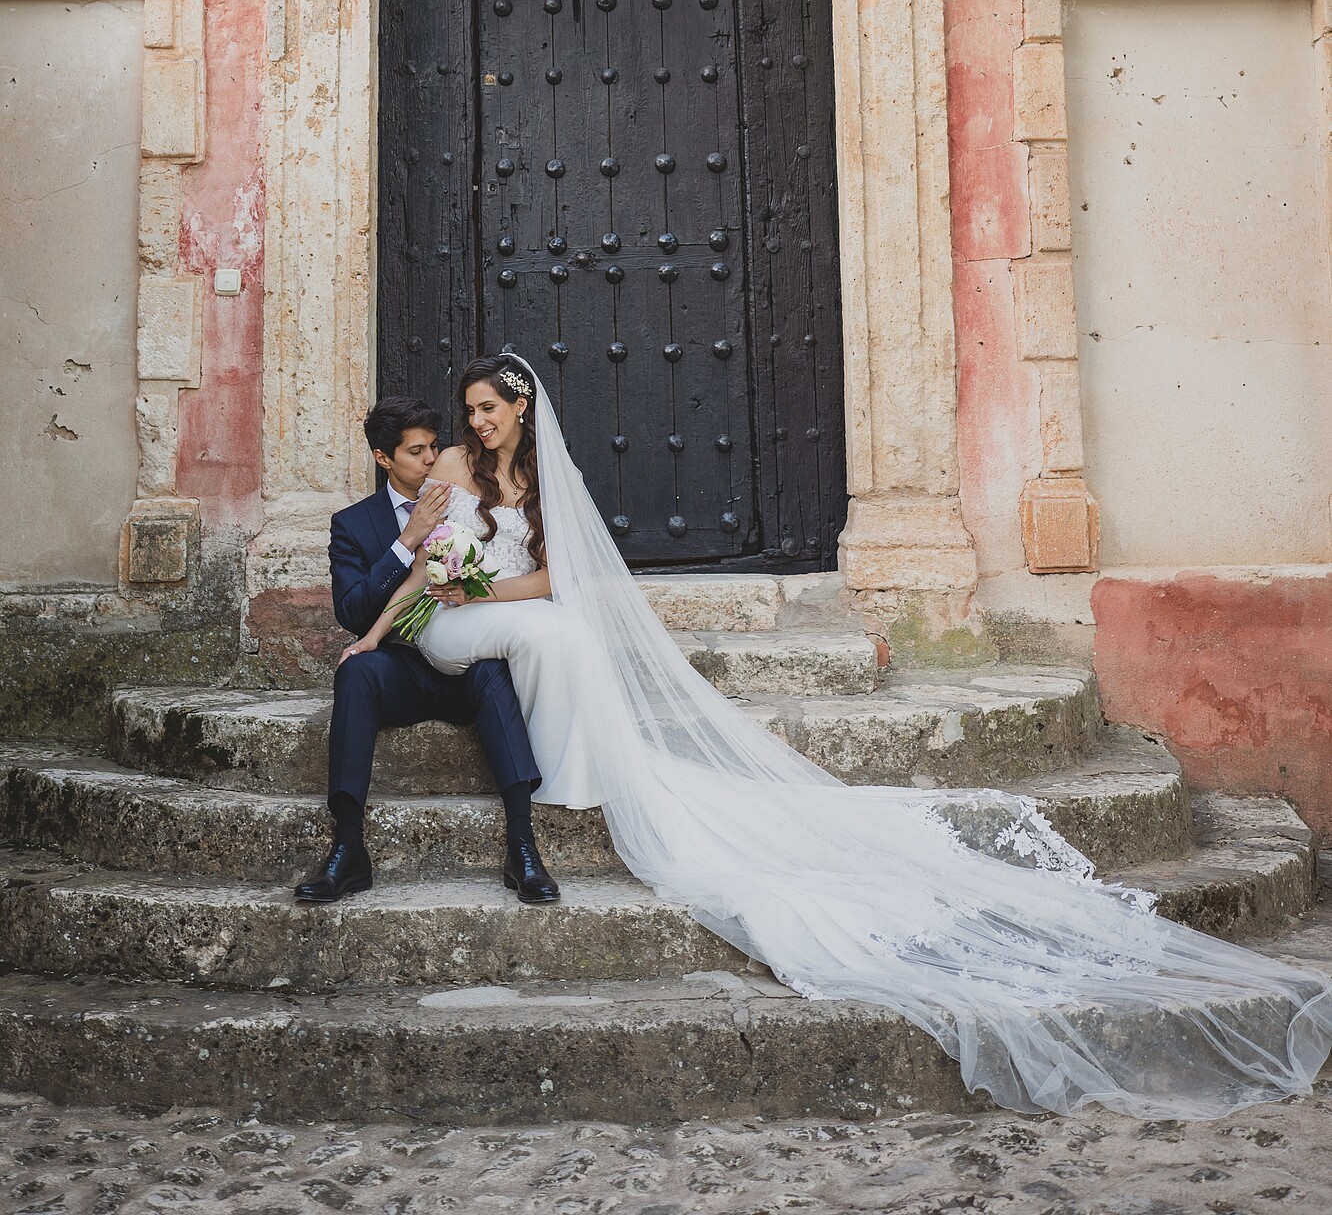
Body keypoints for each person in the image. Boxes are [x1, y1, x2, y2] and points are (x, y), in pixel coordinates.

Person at [352, 347, 1332, 1122]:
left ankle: (586, 767)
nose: (475, 420)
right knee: (547, 630)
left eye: (489, 407)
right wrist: (381, 625)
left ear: (521, 409)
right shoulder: (447, 466)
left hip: (498, 603)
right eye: (470, 407)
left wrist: (490, 582)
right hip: (443, 620)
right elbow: (423, 565)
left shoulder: (544, 476)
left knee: (560, 625)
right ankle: (572, 768)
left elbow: (559, 579)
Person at [293, 393, 558, 907]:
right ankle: (347, 848)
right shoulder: (353, 524)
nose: (432, 459)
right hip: (403, 668)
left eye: (435, 446)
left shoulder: (466, 491)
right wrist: (405, 540)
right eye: (417, 451)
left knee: (494, 675)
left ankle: (523, 848)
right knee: (356, 672)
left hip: (467, 660)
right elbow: (352, 612)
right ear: (383, 459)